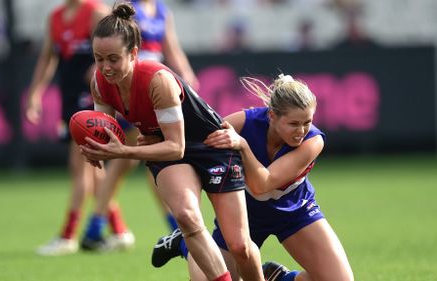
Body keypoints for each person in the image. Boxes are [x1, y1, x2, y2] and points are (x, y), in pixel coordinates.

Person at [80, 3, 264, 281]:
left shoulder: (158, 81)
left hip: (212, 147)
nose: (105, 67)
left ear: (133, 54)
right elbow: (104, 130)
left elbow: (176, 145)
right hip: (167, 151)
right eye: (98, 58)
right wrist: (95, 147)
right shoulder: (100, 82)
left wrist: (123, 151)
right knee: (188, 218)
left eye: (113, 59)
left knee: (239, 246)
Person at [152, 74, 355, 281]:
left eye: (307, 122)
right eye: (294, 123)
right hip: (242, 212)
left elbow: (262, 184)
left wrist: (242, 145)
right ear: (272, 116)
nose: (301, 130)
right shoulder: (244, 122)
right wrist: (156, 138)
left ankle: (281, 278)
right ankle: (184, 243)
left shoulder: (314, 141)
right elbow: (197, 142)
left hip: (295, 211)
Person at [80, 0, 200, 250]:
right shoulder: (127, 8)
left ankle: (96, 225)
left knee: (129, 160)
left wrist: (186, 73)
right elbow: (111, 40)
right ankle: (175, 229)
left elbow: (171, 46)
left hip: (151, 87)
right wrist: (106, 65)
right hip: (129, 85)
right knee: (132, 159)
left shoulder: (161, 10)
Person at [25, 0, 134, 256]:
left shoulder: (96, 12)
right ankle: (119, 230)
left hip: (92, 97)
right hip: (69, 97)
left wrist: (99, 69)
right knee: (91, 170)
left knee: (79, 165)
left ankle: (68, 235)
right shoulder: (55, 17)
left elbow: (119, 50)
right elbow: (47, 57)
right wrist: (35, 93)